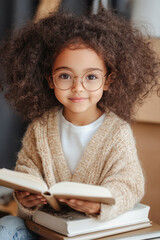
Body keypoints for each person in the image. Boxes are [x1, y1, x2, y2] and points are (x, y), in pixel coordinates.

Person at [0, 7, 159, 240]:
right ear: (49, 80)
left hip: (92, 232)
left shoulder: (117, 132)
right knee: (7, 226)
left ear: (108, 81)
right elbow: (28, 169)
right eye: (65, 75)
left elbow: (128, 183)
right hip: (47, 228)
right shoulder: (41, 128)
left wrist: (99, 205)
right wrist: (25, 196)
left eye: (91, 77)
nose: (78, 87)